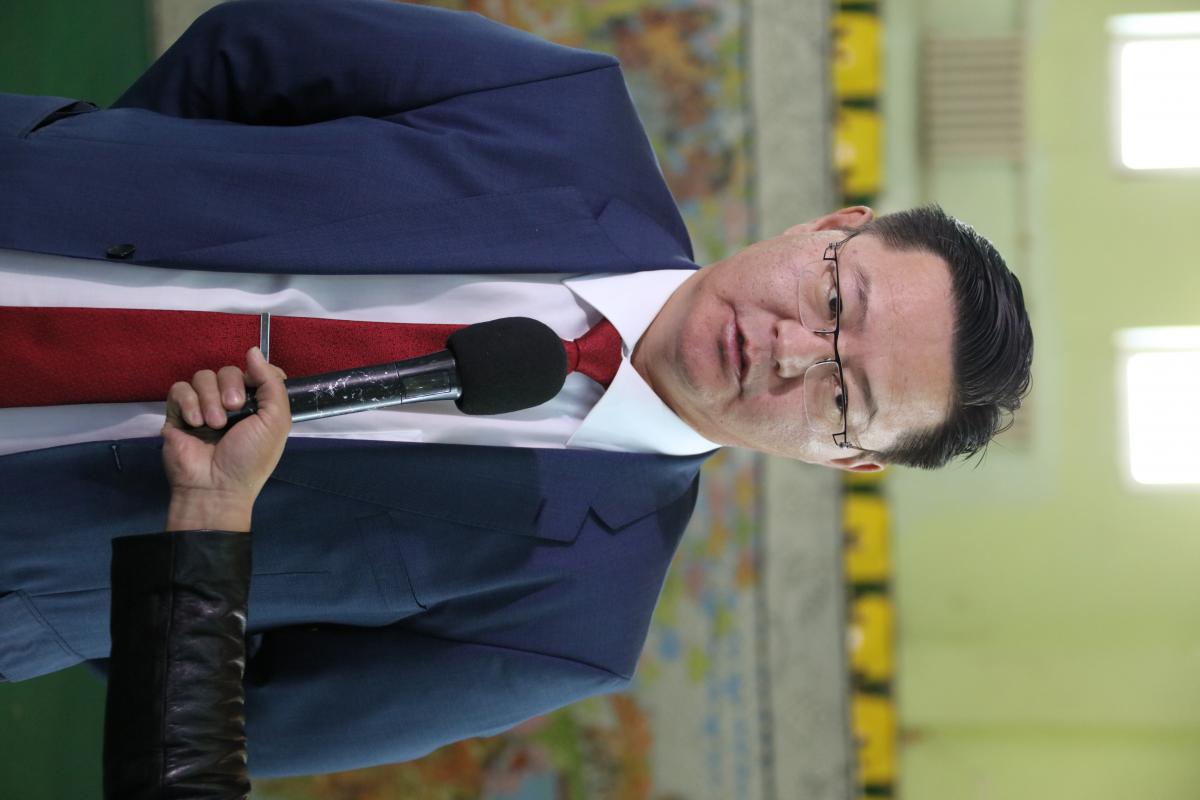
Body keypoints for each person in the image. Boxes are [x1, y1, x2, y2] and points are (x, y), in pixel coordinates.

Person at [0, 0, 1033, 781]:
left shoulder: (575, 625)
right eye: (834, 298)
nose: (791, 350)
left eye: (844, 396)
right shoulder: (563, 111)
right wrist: (105, 188)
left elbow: (249, 720)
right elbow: (253, 46)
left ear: (845, 459)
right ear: (828, 227)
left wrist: (73, 575)